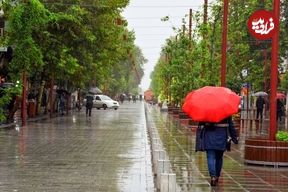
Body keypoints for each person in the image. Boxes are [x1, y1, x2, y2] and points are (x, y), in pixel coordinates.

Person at [197, 117, 238, 186]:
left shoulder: (207, 110)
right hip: (221, 136)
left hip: (209, 136)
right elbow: (231, 125)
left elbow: (201, 123)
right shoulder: (226, 110)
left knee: (210, 156)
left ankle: (212, 176)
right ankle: (217, 176)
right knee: (219, 157)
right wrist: (234, 137)